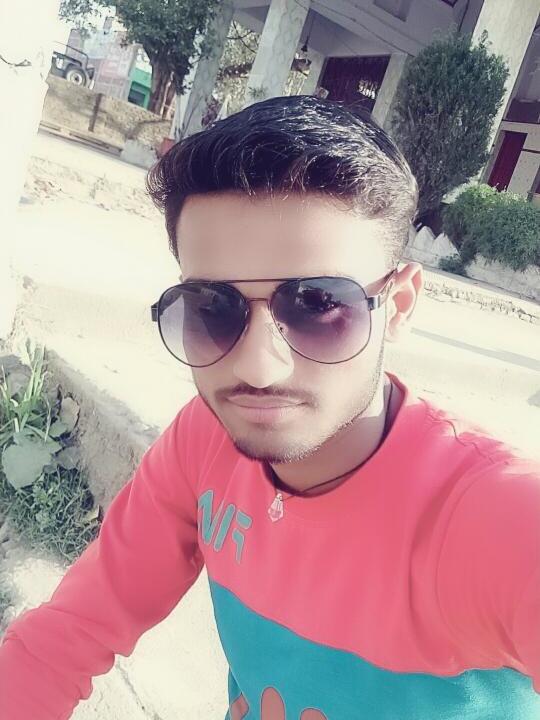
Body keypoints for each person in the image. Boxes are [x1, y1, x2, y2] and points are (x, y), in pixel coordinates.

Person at [0, 96, 539, 720]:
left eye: (318, 305)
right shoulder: (204, 440)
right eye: (212, 308)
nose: (257, 368)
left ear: (397, 306)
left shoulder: (494, 521)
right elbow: (67, 634)